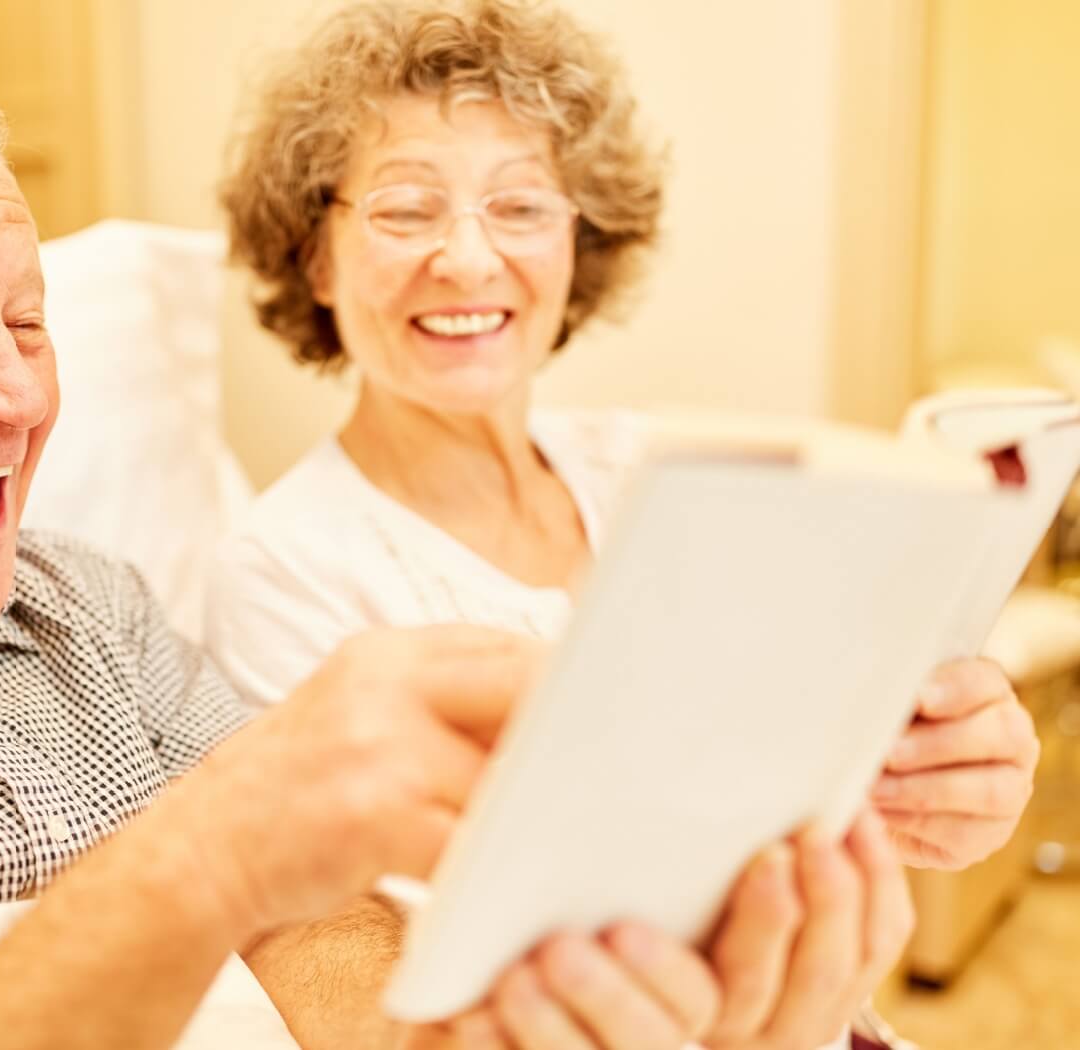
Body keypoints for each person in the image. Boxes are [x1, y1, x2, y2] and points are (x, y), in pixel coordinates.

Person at [0, 63, 900, 1050]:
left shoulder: (85, 605)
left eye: (27, 327)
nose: (14, 396)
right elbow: (251, 852)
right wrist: (206, 857)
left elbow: (324, 912)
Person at [209, 0, 1039, 1044]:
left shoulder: (662, 470)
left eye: (519, 207)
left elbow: (803, 772)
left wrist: (937, 771)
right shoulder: (283, 569)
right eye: (406, 209)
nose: (467, 260)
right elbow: (336, 943)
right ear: (314, 257)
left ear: (578, 238)